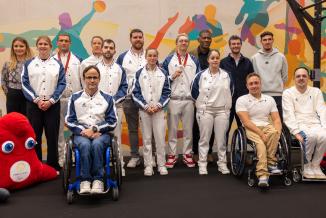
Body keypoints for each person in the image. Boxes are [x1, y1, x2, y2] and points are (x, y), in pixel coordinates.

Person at [65, 65, 118, 194]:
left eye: (95, 77)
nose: (92, 80)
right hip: (81, 134)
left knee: (97, 144)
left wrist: (94, 129)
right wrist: (84, 131)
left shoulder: (108, 98)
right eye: (89, 77)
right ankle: (85, 180)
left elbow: (113, 121)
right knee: (84, 145)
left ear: (99, 79)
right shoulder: (75, 98)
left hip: (101, 134)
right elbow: (69, 120)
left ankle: (98, 180)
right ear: (84, 79)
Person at [22, 35, 66, 170]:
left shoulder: (57, 64)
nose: (42, 46)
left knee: (52, 136)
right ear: (37, 46)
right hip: (34, 105)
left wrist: (51, 100)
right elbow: (24, 83)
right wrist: (37, 99)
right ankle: (37, 166)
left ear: (50, 47)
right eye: (40, 44)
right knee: (35, 136)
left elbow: (62, 83)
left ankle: (52, 165)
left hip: (52, 105)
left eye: (45, 44)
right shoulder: (29, 64)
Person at [191, 49, 233, 175]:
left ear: (219, 60)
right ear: (208, 60)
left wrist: (224, 106)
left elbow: (231, 91)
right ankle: (202, 164)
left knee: (221, 140)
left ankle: (222, 163)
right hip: (206, 111)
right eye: (212, 58)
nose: (215, 60)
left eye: (217, 58)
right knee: (204, 139)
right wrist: (201, 105)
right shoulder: (200, 75)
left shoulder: (227, 75)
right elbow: (193, 92)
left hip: (222, 111)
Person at [236, 73, 282, 187]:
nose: (254, 86)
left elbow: (276, 120)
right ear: (247, 86)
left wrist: (278, 133)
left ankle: (271, 163)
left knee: (274, 132)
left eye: (256, 83)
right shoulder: (241, 100)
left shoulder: (269, 99)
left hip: (266, 125)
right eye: (251, 84)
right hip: (251, 127)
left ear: (261, 84)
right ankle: (262, 175)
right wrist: (261, 133)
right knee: (260, 145)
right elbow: (246, 122)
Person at [162, 33, 200, 168]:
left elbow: (198, 81)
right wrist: (172, 76)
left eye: (186, 41)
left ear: (188, 44)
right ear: (176, 43)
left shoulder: (194, 60)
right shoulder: (168, 60)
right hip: (174, 99)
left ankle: (187, 155)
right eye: (181, 41)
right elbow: (162, 80)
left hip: (189, 100)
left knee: (188, 130)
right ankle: (172, 155)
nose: (184, 43)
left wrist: (196, 98)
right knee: (172, 129)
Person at [132, 48, 171, 176]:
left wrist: (159, 106)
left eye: (155, 55)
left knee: (160, 140)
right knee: (147, 139)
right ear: (146, 57)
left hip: (159, 112)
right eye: (150, 55)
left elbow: (167, 92)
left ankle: (161, 165)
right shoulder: (139, 73)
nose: (152, 58)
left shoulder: (163, 72)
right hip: (145, 111)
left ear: (157, 57)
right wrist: (145, 106)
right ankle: (148, 165)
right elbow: (135, 92)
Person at [282, 67, 326, 179]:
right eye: (298, 76)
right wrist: (295, 132)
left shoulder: (316, 91)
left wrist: (325, 126)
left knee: (324, 136)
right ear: (294, 78)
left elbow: (322, 110)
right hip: (299, 123)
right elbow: (288, 115)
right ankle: (306, 166)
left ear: (308, 78)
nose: (301, 78)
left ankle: (316, 166)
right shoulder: (288, 93)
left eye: (304, 76)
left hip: (315, 123)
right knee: (310, 137)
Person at [96, 39, 128, 176]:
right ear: (102, 50)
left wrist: (112, 101)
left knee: (116, 137)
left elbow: (124, 88)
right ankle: (101, 167)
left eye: (111, 48)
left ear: (114, 51)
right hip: (98, 109)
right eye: (106, 47)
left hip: (116, 108)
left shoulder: (120, 69)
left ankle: (119, 166)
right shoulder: (95, 68)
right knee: (100, 138)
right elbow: (90, 86)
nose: (108, 50)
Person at [116, 29, 147, 168]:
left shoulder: (150, 55)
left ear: (143, 39)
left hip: (147, 99)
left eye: (140, 37)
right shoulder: (122, 57)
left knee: (148, 129)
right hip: (129, 98)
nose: (138, 39)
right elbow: (118, 77)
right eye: (135, 37)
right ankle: (135, 156)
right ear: (130, 39)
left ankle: (150, 156)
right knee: (132, 129)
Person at [54, 33, 83, 168]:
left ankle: (76, 155)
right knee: (59, 129)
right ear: (57, 43)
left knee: (76, 129)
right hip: (58, 100)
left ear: (70, 43)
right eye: (61, 41)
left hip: (74, 100)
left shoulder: (78, 59)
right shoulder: (52, 60)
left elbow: (83, 80)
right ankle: (62, 157)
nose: (64, 43)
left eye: (66, 41)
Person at [220, 35, 254, 145]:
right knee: (224, 130)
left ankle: (246, 154)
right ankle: (223, 156)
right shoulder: (223, 62)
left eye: (238, 43)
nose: (236, 46)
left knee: (246, 129)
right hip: (227, 102)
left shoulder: (248, 62)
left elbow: (251, 81)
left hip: (244, 102)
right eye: (233, 44)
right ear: (230, 46)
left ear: (241, 45)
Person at [190, 29, 215, 163]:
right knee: (196, 125)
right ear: (199, 39)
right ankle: (195, 152)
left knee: (210, 125)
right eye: (204, 38)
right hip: (196, 96)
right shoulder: (191, 54)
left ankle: (209, 151)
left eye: (208, 38)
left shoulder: (214, 54)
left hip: (212, 96)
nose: (206, 40)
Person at [251, 31, 288, 120]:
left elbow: (285, 77)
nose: (267, 42)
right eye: (265, 40)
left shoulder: (281, 57)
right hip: (260, 96)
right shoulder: (254, 58)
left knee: (278, 123)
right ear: (261, 42)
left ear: (272, 40)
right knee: (262, 123)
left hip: (278, 96)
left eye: (269, 39)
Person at [1, 37, 33, 115]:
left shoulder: (32, 63)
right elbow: (3, 80)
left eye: (21, 46)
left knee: (27, 120)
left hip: (27, 96)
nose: (18, 48)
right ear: (13, 48)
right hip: (12, 96)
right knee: (13, 120)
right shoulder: (8, 63)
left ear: (26, 48)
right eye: (16, 46)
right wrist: (8, 92)